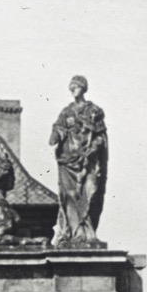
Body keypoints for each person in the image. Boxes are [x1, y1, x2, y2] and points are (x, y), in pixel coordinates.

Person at [49, 74, 109, 247]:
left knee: (90, 192)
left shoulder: (94, 111)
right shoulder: (66, 112)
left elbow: (100, 136)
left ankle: (89, 231)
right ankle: (76, 233)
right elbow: (58, 128)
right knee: (70, 196)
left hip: (88, 161)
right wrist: (56, 136)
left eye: (77, 87)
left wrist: (95, 147)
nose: (74, 90)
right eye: (72, 87)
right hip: (68, 161)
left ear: (83, 88)